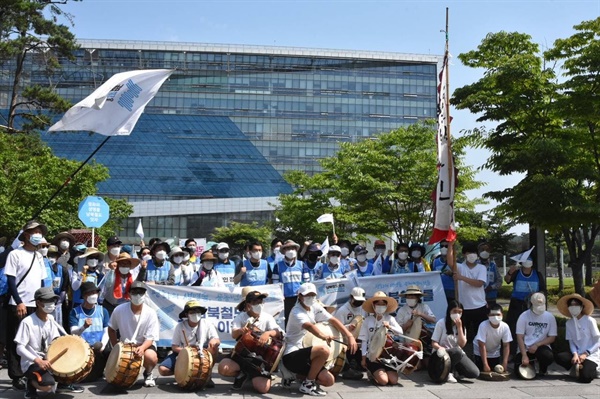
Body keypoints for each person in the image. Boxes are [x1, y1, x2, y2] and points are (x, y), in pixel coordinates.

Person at [282, 283, 358, 396]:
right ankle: (307, 384)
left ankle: (294, 375)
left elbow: (333, 320)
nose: (310, 298)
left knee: (329, 381)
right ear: (300, 296)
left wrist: (349, 336)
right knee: (323, 349)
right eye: (307, 295)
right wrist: (324, 336)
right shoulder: (296, 311)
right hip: (292, 355)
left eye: (313, 295)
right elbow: (309, 326)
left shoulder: (314, 306)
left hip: (307, 352)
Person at [15, 287, 84, 398]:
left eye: (53, 301)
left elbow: (56, 341)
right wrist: (38, 360)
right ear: (38, 302)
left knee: (73, 367)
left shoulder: (51, 319)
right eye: (47, 301)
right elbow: (19, 348)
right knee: (48, 387)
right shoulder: (27, 322)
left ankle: (62, 384)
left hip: (50, 360)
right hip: (32, 363)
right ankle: (30, 384)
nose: (51, 304)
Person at [5, 220, 48, 391]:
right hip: (19, 304)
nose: (37, 234)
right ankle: (16, 376)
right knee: (17, 341)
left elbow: (42, 280)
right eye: (33, 231)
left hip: (36, 304)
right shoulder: (15, 254)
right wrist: (18, 301)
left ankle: (32, 372)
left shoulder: (39, 256)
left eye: (39, 231)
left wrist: (43, 301)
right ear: (26, 235)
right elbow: (11, 279)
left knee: (33, 342)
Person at [218, 290, 282, 393]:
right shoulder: (241, 317)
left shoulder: (267, 317)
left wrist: (267, 333)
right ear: (248, 305)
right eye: (256, 302)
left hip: (259, 359)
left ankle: (250, 375)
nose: (259, 304)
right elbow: (234, 334)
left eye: (261, 301)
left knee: (263, 389)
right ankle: (242, 373)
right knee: (223, 368)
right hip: (242, 355)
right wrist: (240, 330)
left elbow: (277, 332)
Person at [108, 281, 159, 387]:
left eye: (141, 292)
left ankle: (148, 373)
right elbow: (111, 328)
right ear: (129, 294)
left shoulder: (151, 313)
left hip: (144, 345)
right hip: (125, 346)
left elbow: (151, 337)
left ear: (145, 294)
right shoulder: (119, 310)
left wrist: (142, 348)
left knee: (151, 356)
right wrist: (115, 347)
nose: (138, 295)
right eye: (134, 292)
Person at [158, 300, 219, 386]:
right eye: (192, 312)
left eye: (198, 312)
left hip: (203, 352)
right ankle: (184, 374)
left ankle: (207, 375)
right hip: (184, 353)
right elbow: (174, 347)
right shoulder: (180, 326)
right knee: (163, 369)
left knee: (214, 347)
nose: (196, 314)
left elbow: (216, 339)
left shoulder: (207, 324)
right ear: (187, 315)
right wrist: (186, 352)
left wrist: (214, 340)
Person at [359, 291, 404, 386]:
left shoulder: (390, 319)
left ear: (386, 306)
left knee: (393, 381)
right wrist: (363, 358)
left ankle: (386, 371)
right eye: (378, 304)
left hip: (388, 356)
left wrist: (390, 327)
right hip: (373, 356)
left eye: (383, 304)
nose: (380, 306)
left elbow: (401, 332)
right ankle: (371, 372)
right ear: (373, 305)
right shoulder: (367, 321)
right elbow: (364, 340)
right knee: (383, 381)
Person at [430, 300, 479, 383]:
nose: (457, 314)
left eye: (460, 312)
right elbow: (434, 342)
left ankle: (456, 370)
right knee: (457, 351)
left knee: (474, 373)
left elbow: (462, 344)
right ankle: (449, 372)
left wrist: (459, 327)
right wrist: (441, 349)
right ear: (449, 311)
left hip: (457, 353)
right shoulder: (441, 323)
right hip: (441, 353)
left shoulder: (462, 326)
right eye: (454, 311)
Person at [69, 282, 110, 382]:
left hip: (99, 347)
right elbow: (73, 333)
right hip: (82, 349)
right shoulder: (75, 312)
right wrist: (83, 327)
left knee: (110, 351)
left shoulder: (102, 311)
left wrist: (103, 346)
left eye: (95, 292)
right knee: (88, 378)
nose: (94, 295)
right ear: (84, 296)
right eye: (90, 293)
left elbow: (107, 331)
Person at [449, 241, 487, 346]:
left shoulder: (481, 268)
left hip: (479, 306)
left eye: (474, 252)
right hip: (463, 307)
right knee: (462, 334)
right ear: (464, 254)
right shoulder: (460, 267)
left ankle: (480, 356)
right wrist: (450, 245)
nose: (472, 255)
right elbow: (450, 262)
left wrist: (461, 278)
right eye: (469, 252)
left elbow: (479, 283)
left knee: (480, 335)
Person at [555, 293, 600, 383]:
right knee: (560, 357)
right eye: (571, 305)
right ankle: (577, 366)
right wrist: (575, 354)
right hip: (577, 353)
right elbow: (571, 342)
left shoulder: (589, 320)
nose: (573, 307)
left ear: (581, 307)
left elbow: (598, 341)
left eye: (576, 305)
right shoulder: (569, 323)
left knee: (585, 378)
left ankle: (593, 369)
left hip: (590, 354)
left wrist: (586, 353)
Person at [504, 257, 546, 354]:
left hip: (532, 305)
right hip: (516, 305)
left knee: (531, 327)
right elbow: (507, 280)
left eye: (530, 259)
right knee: (514, 328)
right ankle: (513, 352)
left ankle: (530, 350)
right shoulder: (517, 272)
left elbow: (543, 290)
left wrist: (537, 295)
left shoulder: (537, 274)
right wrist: (510, 272)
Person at [514, 292, 556, 378]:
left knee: (547, 356)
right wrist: (524, 355)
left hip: (541, 346)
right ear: (531, 304)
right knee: (519, 373)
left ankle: (543, 368)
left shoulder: (550, 317)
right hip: (526, 348)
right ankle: (530, 362)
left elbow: (552, 337)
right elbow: (520, 337)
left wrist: (537, 345)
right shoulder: (524, 316)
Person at [332, 287, 367, 380]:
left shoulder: (363, 308)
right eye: (357, 300)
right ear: (351, 297)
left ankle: (357, 363)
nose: (359, 303)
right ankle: (347, 368)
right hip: (345, 340)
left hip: (359, 338)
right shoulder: (342, 310)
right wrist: (348, 327)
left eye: (361, 301)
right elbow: (337, 328)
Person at [271, 240, 308, 325]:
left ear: (296, 250)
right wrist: (280, 296)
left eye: (293, 248)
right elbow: (275, 284)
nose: (290, 250)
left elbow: (306, 283)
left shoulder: (302, 265)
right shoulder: (278, 266)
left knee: (301, 320)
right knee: (286, 321)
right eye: (288, 248)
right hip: (284, 299)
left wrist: (303, 296)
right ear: (284, 251)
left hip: (299, 299)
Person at [473, 304, 512, 373]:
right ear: (488, 316)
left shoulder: (505, 327)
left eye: (498, 314)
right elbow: (481, 345)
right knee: (480, 371)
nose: (495, 317)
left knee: (496, 370)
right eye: (492, 315)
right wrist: (485, 364)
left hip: (494, 353)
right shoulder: (483, 325)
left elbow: (506, 345)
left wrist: (505, 362)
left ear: (502, 315)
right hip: (479, 352)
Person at [396, 285, 436, 351]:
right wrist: (406, 326)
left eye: (412, 297)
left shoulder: (424, 307)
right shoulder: (401, 310)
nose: (410, 299)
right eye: (408, 297)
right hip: (406, 342)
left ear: (417, 298)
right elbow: (398, 331)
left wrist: (420, 314)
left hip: (424, 341)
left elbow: (433, 320)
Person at [40, 243, 69, 327]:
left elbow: (64, 288)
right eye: (49, 255)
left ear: (57, 257)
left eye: (53, 256)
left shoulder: (63, 270)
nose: (51, 258)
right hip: (43, 301)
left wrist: (58, 302)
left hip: (57, 302)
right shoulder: (40, 268)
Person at [478, 242, 502, 306]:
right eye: (482, 250)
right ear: (479, 252)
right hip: (477, 297)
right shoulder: (475, 265)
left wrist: (491, 287)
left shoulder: (493, 265)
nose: (484, 252)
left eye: (487, 250)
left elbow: (499, 281)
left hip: (491, 297)